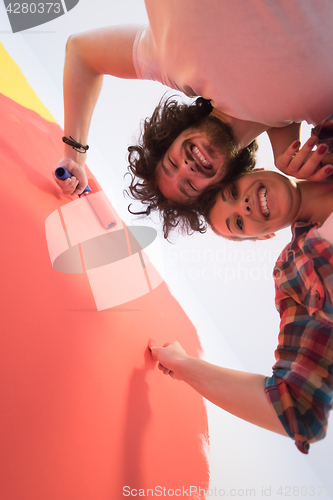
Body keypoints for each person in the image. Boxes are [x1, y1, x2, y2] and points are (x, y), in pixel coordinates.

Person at [54, 0, 333, 237]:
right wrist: (288, 148)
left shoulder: (173, 63)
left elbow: (81, 52)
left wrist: (74, 156)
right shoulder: (317, 111)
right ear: (224, 184)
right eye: (189, 185)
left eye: (172, 163)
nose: (186, 168)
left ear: (172, 136)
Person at [149, 143, 333, 453]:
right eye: (238, 223)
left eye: (234, 192)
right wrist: (184, 364)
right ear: (262, 236)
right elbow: (298, 410)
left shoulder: (321, 136)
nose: (243, 206)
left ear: (258, 170)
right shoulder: (294, 271)